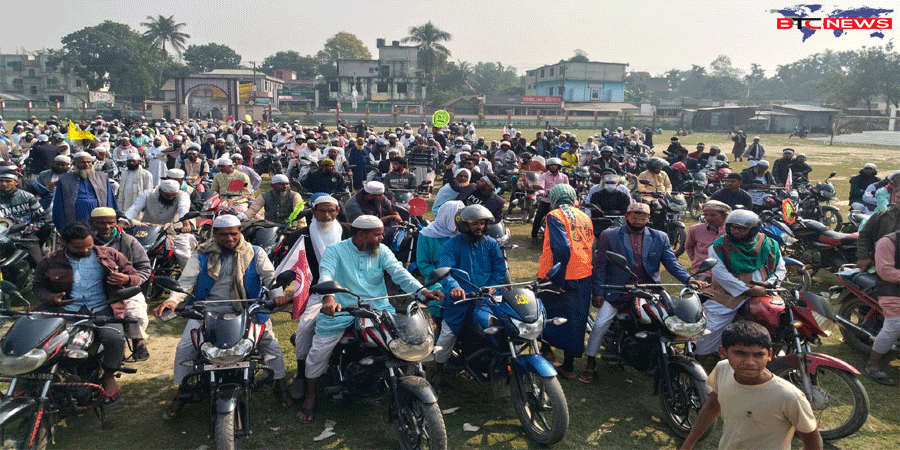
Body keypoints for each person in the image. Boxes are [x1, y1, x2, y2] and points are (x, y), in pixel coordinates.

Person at [296, 215, 443, 422]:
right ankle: (311, 395)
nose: (383, 238)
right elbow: (326, 275)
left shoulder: (382, 251)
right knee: (319, 351)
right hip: (341, 309)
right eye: (378, 234)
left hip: (378, 308)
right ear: (361, 235)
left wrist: (422, 291)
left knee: (400, 341)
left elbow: (398, 272)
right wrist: (329, 299)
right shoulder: (335, 251)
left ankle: (399, 384)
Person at [153, 214, 293, 419]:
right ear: (215, 234)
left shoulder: (256, 253)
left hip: (248, 309)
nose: (229, 239)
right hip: (206, 310)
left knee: (270, 345)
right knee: (185, 348)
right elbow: (185, 283)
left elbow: (270, 278)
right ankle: (182, 391)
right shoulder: (201, 254)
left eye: (233, 234)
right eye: (224, 235)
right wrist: (173, 300)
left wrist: (278, 296)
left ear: (240, 233)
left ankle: (280, 385)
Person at [582, 203, 705, 382]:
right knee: (600, 324)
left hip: (650, 290)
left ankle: (661, 353)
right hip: (618, 290)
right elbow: (600, 266)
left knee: (668, 321)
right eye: (634, 217)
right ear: (626, 217)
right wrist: (598, 292)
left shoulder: (660, 237)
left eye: (643, 218)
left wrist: (688, 279)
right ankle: (591, 360)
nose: (638, 221)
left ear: (649, 219)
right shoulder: (609, 235)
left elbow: (671, 263)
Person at [34, 222, 141, 404]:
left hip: (102, 307)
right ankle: (29, 377)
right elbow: (38, 287)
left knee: (114, 337)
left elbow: (136, 276)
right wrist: (53, 298)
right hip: (66, 309)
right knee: (38, 337)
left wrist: (127, 278)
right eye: (78, 247)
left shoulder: (110, 255)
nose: (84, 250)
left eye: (88, 246)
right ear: (64, 243)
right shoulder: (49, 261)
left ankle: (108, 376)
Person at [679, 321, 822, 450]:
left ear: (769, 354)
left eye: (759, 355)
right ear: (723, 352)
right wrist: (687, 445)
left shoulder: (789, 396)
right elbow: (712, 406)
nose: (750, 362)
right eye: (740, 353)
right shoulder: (722, 369)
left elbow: (813, 442)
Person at [695, 210, 786, 370]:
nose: (736, 231)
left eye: (741, 229)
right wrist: (748, 290)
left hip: (765, 291)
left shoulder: (770, 244)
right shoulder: (719, 246)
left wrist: (769, 285)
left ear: (753, 229)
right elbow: (721, 274)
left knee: (781, 320)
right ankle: (697, 364)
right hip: (727, 295)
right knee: (709, 329)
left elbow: (780, 268)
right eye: (733, 228)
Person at [430, 205, 507, 387]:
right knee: (448, 334)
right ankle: (439, 367)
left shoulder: (490, 243)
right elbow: (446, 272)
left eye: (482, 223)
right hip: (460, 300)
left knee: (504, 326)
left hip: (486, 299)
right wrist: (455, 289)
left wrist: (494, 286)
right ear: (464, 224)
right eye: (474, 224)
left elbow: (499, 268)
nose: (479, 227)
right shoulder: (451, 245)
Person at [287, 196, 351, 400]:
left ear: (337, 211)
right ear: (313, 211)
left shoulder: (349, 232)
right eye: (321, 211)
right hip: (318, 292)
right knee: (305, 327)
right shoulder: (301, 236)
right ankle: (301, 373)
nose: (326, 215)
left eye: (331, 211)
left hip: (352, 290)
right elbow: (292, 266)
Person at [536, 185, 594, 379]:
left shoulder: (555, 215)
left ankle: (546, 350)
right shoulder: (585, 216)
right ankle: (568, 367)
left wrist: (556, 280)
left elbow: (562, 249)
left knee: (545, 314)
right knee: (576, 320)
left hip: (558, 275)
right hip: (583, 274)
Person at [88, 207, 152, 361]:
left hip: (125, 289)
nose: (107, 227)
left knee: (136, 315)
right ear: (91, 223)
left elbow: (144, 268)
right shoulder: (83, 240)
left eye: (111, 223)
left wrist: (127, 279)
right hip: (92, 290)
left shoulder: (128, 241)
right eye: (101, 223)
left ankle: (138, 341)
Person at [416, 201, 464, 334]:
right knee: (441, 299)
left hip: (461, 276)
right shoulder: (427, 235)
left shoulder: (462, 235)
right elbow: (424, 264)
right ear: (447, 217)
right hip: (436, 278)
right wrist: (442, 278)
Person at [862, 230, 900, 385]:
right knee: (896, 323)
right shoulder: (888, 242)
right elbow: (885, 271)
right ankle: (872, 366)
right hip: (891, 289)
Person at [52, 152, 118, 230]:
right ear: (74, 164)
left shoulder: (102, 177)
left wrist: (114, 218)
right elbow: (59, 203)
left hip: (99, 216)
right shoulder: (64, 179)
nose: (86, 165)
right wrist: (61, 225)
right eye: (82, 162)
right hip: (75, 217)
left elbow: (110, 199)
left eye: (89, 162)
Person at [685, 201, 730, 280]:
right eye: (705, 215)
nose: (708, 218)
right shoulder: (695, 229)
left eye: (713, 215)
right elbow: (689, 247)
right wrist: (697, 262)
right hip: (705, 272)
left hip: (727, 271)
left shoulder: (731, 231)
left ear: (724, 215)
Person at [533, 158, 569, 242]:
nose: (553, 167)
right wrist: (542, 192)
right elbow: (541, 186)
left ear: (558, 166)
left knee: (567, 217)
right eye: (551, 165)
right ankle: (534, 235)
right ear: (548, 166)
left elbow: (567, 187)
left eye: (555, 165)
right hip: (547, 200)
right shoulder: (544, 176)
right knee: (538, 216)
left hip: (560, 201)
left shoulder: (564, 177)